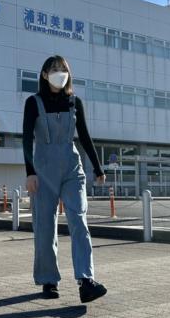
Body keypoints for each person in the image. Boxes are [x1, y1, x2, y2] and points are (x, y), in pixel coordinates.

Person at [22, 55, 108, 303]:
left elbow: (85, 136)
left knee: (78, 219)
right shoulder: (33, 103)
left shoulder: (75, 102)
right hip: (43, 169)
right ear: (44, 74)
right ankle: (49, 281)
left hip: (71, 167)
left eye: (64, 69)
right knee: (45, 226)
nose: (60, 73)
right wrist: (30, 172)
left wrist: (97, 167)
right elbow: (27, 139)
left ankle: (86, 281)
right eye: (54, 69)